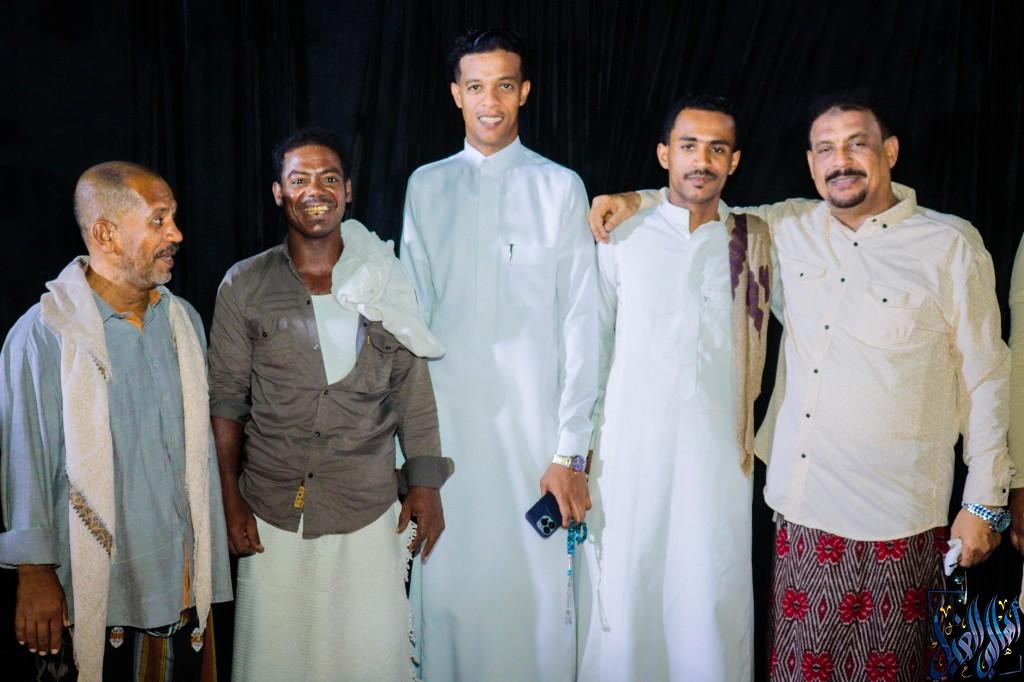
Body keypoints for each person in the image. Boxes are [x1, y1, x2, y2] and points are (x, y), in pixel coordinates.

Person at [589, 92, 1011, 681]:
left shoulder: (949, 245)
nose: (841, 161)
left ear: (889, 152)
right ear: (811, 164)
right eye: (826, 149)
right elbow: (699, 195)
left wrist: (984, 501)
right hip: (803, 514)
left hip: (903, 519)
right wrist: (634, 200)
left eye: (857, 145)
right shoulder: (785, 228)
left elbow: (987, 376)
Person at [208, 128, 451, 682]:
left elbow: (412, 390)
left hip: (367, 507)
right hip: (271, 509)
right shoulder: (244, 284)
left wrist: (426, 485)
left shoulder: (384, 280)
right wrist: (229, 499)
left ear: (348, 191)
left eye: (329, 179)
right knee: (274, 659)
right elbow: (225, 401)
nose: (315, 191)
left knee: (369, 658)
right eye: (299, 180)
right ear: (278, 192)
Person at [400, 28, 599, 682]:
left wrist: (570, 453)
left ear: (525, 92)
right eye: (477, 87)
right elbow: (411, 325)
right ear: (456, 94)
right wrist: (414, 457)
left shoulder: (559, 187)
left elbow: (582, 325)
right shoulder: (426, 186)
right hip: (450, 445)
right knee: (449, 602)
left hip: (536, 446)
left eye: (505, 86)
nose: (491, 101)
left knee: (534, 613)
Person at [0, 161, 233, 682]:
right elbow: (24, 460)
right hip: (94, 596)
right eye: (158, 220)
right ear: (105, 233)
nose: (176, 235)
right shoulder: (44, 335)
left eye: (173, 218)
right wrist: (34, 574)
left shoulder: (183, 320)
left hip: (182, 585)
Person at [577, 94, 770, 681]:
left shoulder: (755, 241)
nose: (701, 161)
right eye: (688, 146)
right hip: (627, 455)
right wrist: (575, 452)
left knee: (708, 599)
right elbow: (591, 346)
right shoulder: (622, 233)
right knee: (625, 593)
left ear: (734, 161)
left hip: (718, 462)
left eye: (716, 149)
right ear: (664, 154)